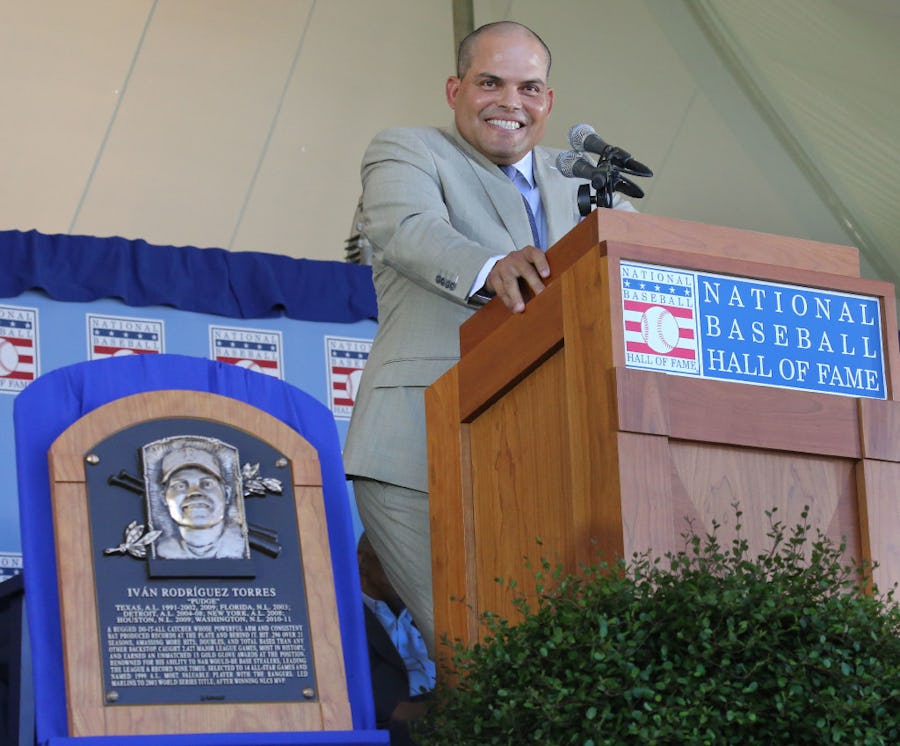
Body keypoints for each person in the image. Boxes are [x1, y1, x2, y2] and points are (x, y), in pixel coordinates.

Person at [343, 20, 636, 654]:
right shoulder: (408, 151)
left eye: (529, 87)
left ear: (549, 102)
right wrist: (488, 267)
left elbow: (640, 270)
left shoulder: (584, 181)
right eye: (489, 82)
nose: (510, 103)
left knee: (556, 664)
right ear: (455, 89)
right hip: (418, 455)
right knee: (481, 655)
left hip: (553, 457)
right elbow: (412, 229)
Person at [358, 533, 434, 745]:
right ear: (362, 562)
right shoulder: (343, 618)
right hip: (397, 729)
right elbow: (392, 708)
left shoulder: (427, 611)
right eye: (398, 558)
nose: (409, 571)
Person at [155, 444, 249, 560]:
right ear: (164, 498)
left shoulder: (241, 546)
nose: (194, 492)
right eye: (180, 486)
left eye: (206, 484)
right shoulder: (161, 550)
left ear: (227, 494)